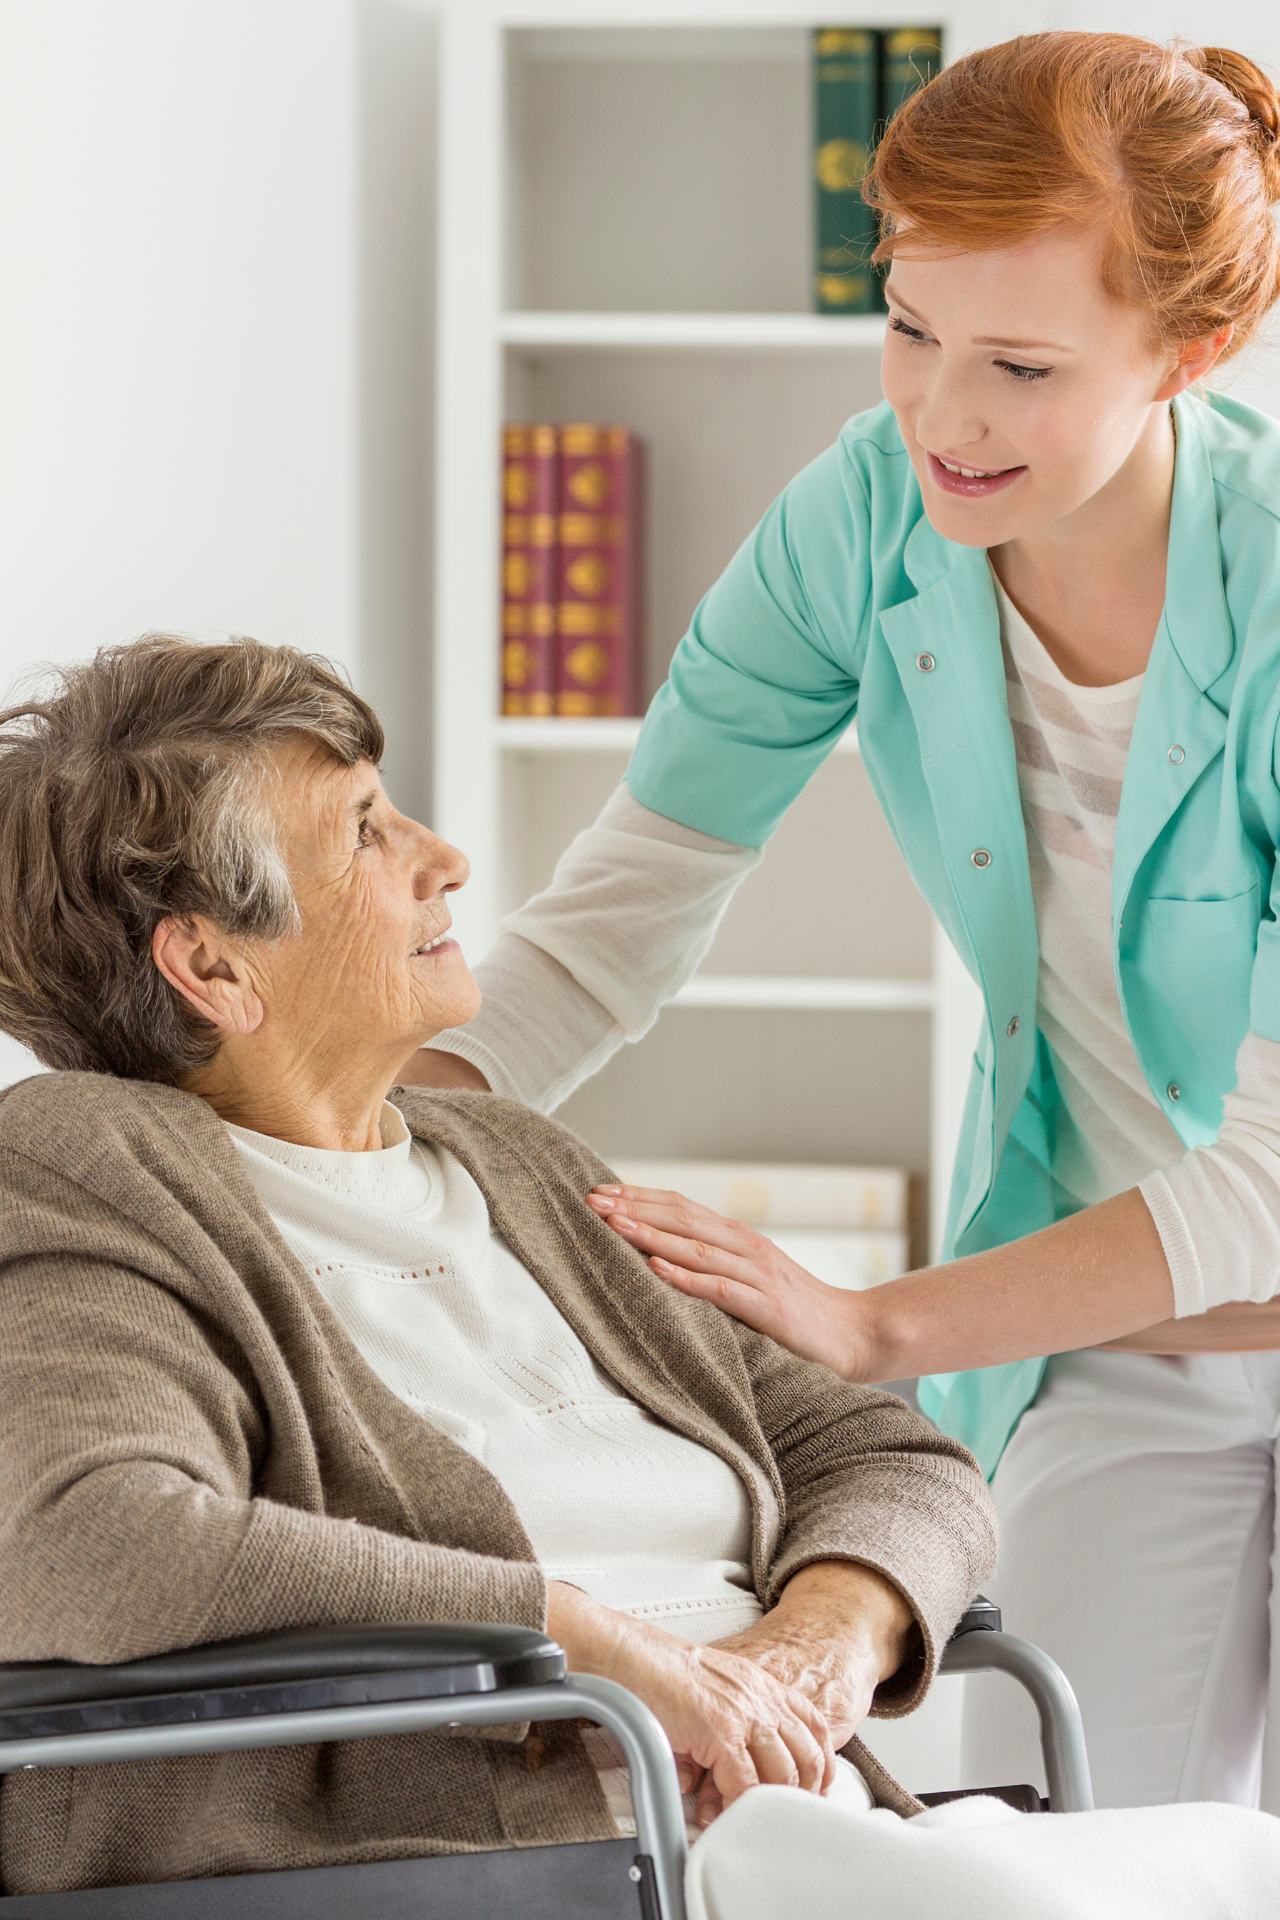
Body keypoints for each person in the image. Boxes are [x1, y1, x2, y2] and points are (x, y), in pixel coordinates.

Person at [405, 34, 1280, 1813]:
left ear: (1194, 351)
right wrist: (345, 1136)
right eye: (909, 331)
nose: (942, 416)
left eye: (1020, 365)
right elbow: (620, 915)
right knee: (1064, 1845)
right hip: (1123, 1340)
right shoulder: (869, 518)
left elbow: (1268, 1178)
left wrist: (871, 1329)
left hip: (1170, 1253)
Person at [0, 635, 998, 1898]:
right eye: (364, 831)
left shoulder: (512, 1160)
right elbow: (88, 1544)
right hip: (501, 1867)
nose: (442, 859)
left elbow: (891, 1458)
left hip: (783, 1830)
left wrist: (812, 1651)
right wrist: (589, 1645)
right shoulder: (90, 1172)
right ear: (211, 967)